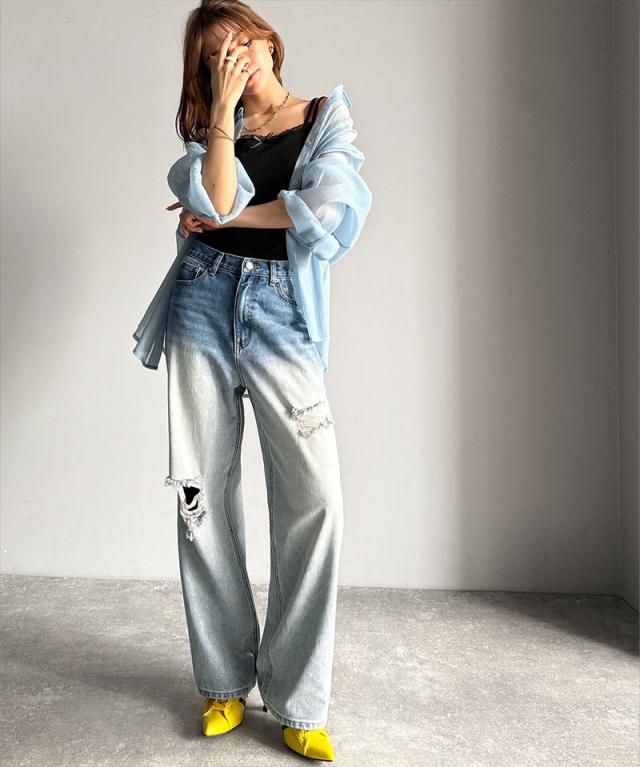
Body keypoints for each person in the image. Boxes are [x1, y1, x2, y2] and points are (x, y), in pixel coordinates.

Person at [133, 0, 372, 760]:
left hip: (280, 315)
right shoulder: (209, 133)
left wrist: (228, 214)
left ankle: (299, 699)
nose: (229, 57)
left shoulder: (324, 117)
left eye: (238, 40)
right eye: (212, 56)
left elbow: (327, 210)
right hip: (201, 303)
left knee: (316, 500)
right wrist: (221, 119)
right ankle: (223, 682)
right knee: (201, 494)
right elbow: (213, 196)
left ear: (268, 39)